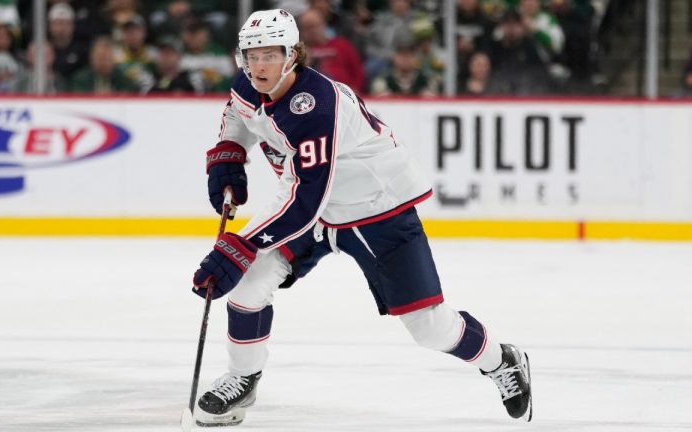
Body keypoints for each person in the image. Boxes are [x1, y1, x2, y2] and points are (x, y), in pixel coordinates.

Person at [190, 8, 533, 427]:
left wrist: (239, 247)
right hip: (314, 212)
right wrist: (229, 154)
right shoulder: (249, 81)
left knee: (430, 329)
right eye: (251, 55)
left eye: (270, 55)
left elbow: (303, 199)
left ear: (293, 54)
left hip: (376, 210)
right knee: (248, 286)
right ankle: (242, 379)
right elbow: (237, 113)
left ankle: (501, 360)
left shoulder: (315, 107)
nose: (259, 66)